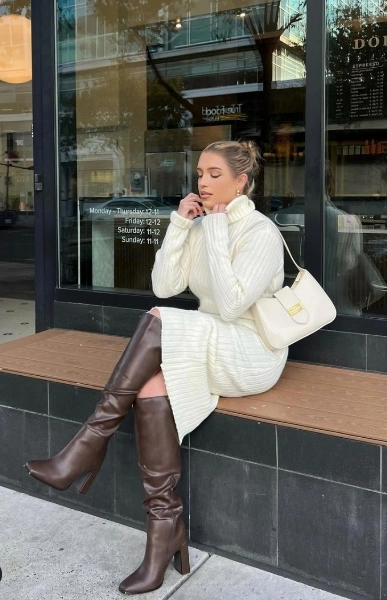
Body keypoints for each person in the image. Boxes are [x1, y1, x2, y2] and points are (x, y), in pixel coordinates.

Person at [25, 140, 288, 595]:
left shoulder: (260, 232)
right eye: (200, 173)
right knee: (148, 388)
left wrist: (220, 228)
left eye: (214, 175)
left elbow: (229, 307)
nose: (202, 182)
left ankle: (88, 444)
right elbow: (165, 286)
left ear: (241, 182)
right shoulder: (204, 224)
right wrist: (180, 227)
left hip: (250, 349)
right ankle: (165, 532)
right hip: (209, 338)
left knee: (159, 320)